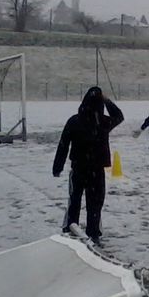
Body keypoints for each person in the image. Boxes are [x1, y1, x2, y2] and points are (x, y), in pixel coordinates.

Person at [52, 87, 124, 244]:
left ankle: (70, 228)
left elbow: (63, 145)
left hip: (78, 168)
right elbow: (119, 116)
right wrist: (107, 100)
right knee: (95, 203)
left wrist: (57, 167)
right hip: (96, 170)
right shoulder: (103, 122)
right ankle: (93, 233)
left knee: (75, 200)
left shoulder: (74, 120)